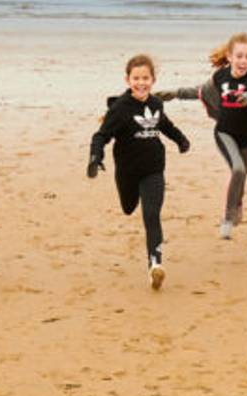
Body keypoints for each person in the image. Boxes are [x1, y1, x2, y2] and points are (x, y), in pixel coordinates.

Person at [89, 55, 192, 290]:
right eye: (136, 78)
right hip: (127, 171)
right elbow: (101, 136)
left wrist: (181, 140)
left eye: (145, 78)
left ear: (153, 80)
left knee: (152, 214)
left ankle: (155, 264)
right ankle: (131, 198)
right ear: (128, 80)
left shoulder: (156, 104)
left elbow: (164, 124)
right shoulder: (119, 109)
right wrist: (96, 156)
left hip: (154, 168)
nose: (141, 83)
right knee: (128, 207)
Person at [180, 33, 247, 240]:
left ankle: (238, 203)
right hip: (224, 133)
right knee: (237, 169)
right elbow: (200, 91)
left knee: (241, 177)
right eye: (239, 56)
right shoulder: (220, 77)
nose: (243, 61)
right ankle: (227, 219)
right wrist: (172, 93)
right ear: (229, 57)